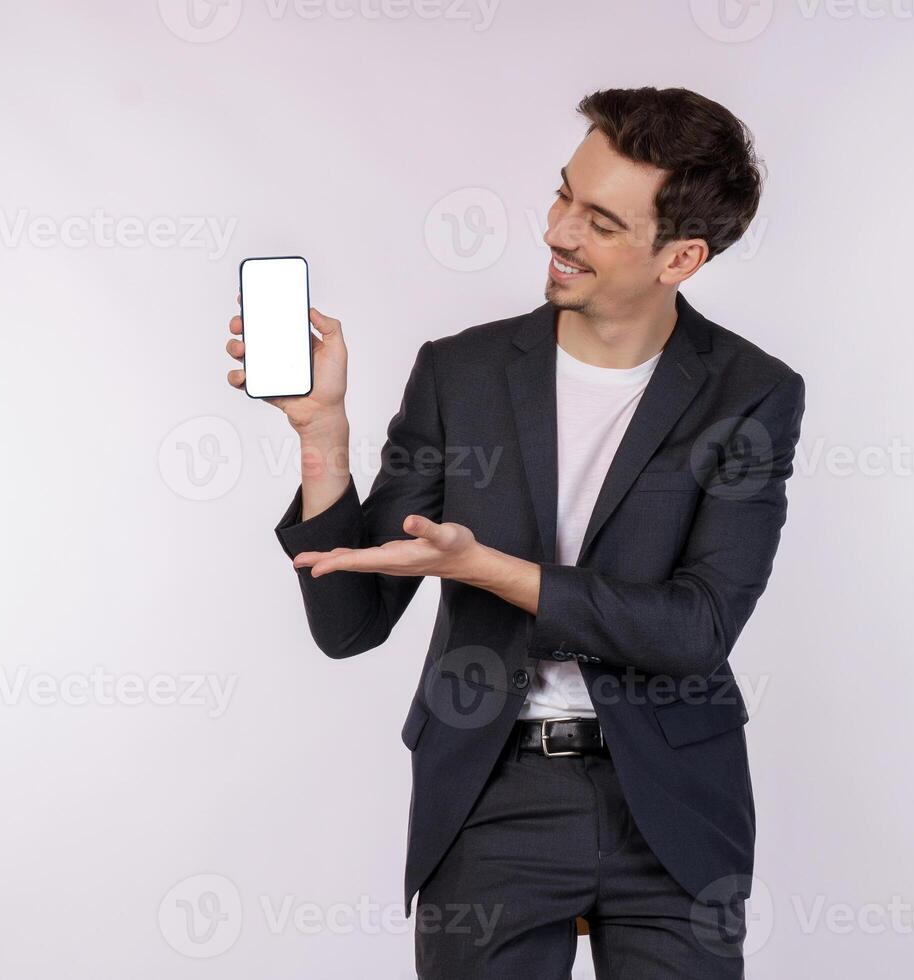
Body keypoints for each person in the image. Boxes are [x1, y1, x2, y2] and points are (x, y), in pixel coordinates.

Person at [224, 86, 805, 979]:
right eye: (563, 194)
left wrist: (497, 571)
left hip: (673, 802)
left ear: (680, 257)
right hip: (494, 791)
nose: (559, 231)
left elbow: (696, 631)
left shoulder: (751, 392)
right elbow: (350, 623)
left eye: (601, 221)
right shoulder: (462, 372)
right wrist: (321, 438)